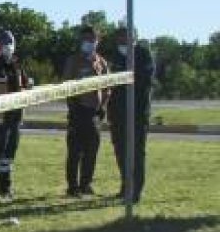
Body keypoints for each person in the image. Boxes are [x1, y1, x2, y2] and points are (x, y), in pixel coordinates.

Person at [60, 25, 108, 197]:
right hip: (78, 112)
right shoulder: (73, 61)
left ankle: (85, 184)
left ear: (97, 41)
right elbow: (66, 87)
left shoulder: (101, 62)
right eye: (86, 39)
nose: (89, 43)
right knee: (75, 152)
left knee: (91, 152)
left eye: (92, 40)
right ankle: (72, 187)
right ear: (81, 41)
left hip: (94, 114)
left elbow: (108, 87)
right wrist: (73, 107)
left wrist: (103, 107)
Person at [108, 27, 155, 203]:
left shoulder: (143, 54)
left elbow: (146, 79)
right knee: (120, 150)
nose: (122, 42)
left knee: (136, 151)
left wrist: (127, 76)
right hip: (117, 112)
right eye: (119, 39)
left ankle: (136, 190)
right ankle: (125, 185)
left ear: (134, 37)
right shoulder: (114, 56)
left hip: (137, 112)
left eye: (125, 38)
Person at [0, 30, 29, 199]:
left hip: (16, 116)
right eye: (4, 42)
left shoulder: (17, 64)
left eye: (10, 42)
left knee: (9, 154)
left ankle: (5, 188)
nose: (7, 45)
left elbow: (25, 85)